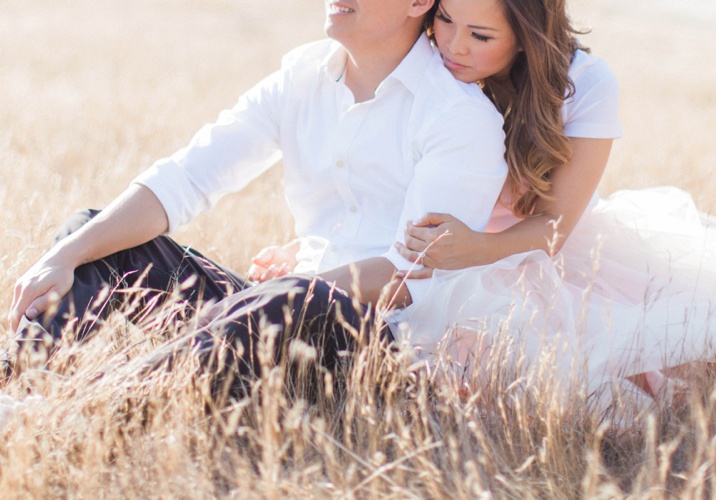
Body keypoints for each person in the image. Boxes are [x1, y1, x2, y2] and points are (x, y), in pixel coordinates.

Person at [250, 0, 716, 405]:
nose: (453, 45)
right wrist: (311, 247)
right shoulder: (419, 64)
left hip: (528, 249)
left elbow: (556, 225)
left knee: (654, 361)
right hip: (439, 251)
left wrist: (478, 249)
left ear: (525, 39)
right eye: (444, 20)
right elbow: (378, 187)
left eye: (481, 36)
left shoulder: (585, 83)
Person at [6, 0, 508, 390]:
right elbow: (188, 176)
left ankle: (90, 405)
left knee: (300, 294)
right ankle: (14, 380)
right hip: (271, 313)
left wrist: (265, 300)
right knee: (93, 232)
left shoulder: (458, 117)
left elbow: (408, 275)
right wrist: (66, 255)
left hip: (376, 350)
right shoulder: (302, 75)